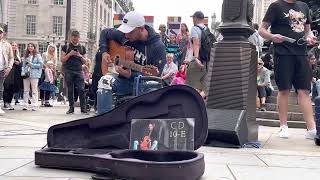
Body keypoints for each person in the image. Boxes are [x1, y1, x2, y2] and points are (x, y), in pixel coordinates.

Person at [259, 0, 317, 139]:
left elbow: (307, 30)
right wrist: (272, 36)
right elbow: (262, 30)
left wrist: (310, 38)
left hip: (302, 53)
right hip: (283, 53)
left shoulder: (304, 6)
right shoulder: (276, 6)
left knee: (304, 90)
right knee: (284, 89)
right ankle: (283, 126)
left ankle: (311, 129)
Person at [96, 11, 166, 114]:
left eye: (130, 32)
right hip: (124, 81)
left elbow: (155, 76)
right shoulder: (124, 35)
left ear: (141, 29)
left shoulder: (158, 47)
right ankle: (104, 122)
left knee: (153, 86)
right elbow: (104, 33)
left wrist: (131, 74)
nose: (126, 35)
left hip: (143, 83)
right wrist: (104, 52)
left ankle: (145, 124)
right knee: (105, 81)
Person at [61, 29, 88, 114]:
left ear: (79, 38)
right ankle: (71, 108)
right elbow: (62, 60)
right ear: (70, 38)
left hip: (79, 71)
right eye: (73, 39)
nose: (75, 40)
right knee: (70, 90)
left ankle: (83, 108)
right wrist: (70, 54)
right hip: (68, 70)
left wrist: (80, 56)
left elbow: (85, 62)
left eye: (76, 39)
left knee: (81, 89)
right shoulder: (65, 47)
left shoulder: (82, 48)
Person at [186, 11, 208, 98]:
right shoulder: (207, 30)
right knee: (204, 88)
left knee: (190, 87)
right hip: (206, 62)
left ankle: (192, 104)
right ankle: (199, 102)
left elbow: (196, 43)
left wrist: (196, 58)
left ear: (195, 18)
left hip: (197, 61)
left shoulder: (195, 29)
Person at [21, 43, 43, 111]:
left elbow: (41, 65)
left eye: (31, 46)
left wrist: (32, 65)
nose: (30, 47)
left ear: (34, 47)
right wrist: (23, 72)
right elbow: (23, 65)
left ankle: (34, 104)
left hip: (34, 74)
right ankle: (25, 104)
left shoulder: (37, 55)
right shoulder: (26, 55)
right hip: (26, 74)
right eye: (29, 46)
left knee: (34, 90)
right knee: (26, 90)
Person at [3, 42, 22, 110]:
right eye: (12, 45)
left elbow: (20, 65)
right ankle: (5, 103)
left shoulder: (17, 55)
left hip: (15, 74)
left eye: (15, 45)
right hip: (8, 72)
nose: (14, 46)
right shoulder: (7, 54)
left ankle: (9, 102)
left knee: (12, 88)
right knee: (7, 87)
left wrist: (19, 63)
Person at [0, 27, 14, 114]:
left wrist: (9, 67)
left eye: (0, 32)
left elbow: (11, 57)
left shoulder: (7, 44)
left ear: (3, 34)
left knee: (0, 88)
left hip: (2, 68)